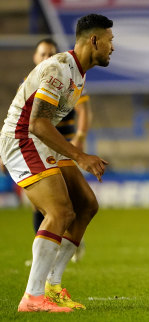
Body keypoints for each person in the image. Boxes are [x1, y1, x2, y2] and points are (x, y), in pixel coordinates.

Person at [0, 13, 114, 312]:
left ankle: (52, 287)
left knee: (87, 205)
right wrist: (81, 156)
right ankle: (33, 297)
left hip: (40, 139)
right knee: (60, 211)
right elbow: (36, 124)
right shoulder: (58, 69)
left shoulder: (78, 72)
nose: (112, 47)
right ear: (94, 40)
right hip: (22, 138)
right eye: (109, 41)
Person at [30, 38, 93, 263]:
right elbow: (22, 120)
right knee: (46, 204)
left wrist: (80, 138)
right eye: (43, 54)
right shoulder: (30, 83)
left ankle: (68, 241)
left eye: (51, 54)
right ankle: (48, 255)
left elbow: (84, 110)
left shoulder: (65, 78)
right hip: (35, 148)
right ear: (35, 58)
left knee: (66, 203)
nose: (47, 58)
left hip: (62, 147)